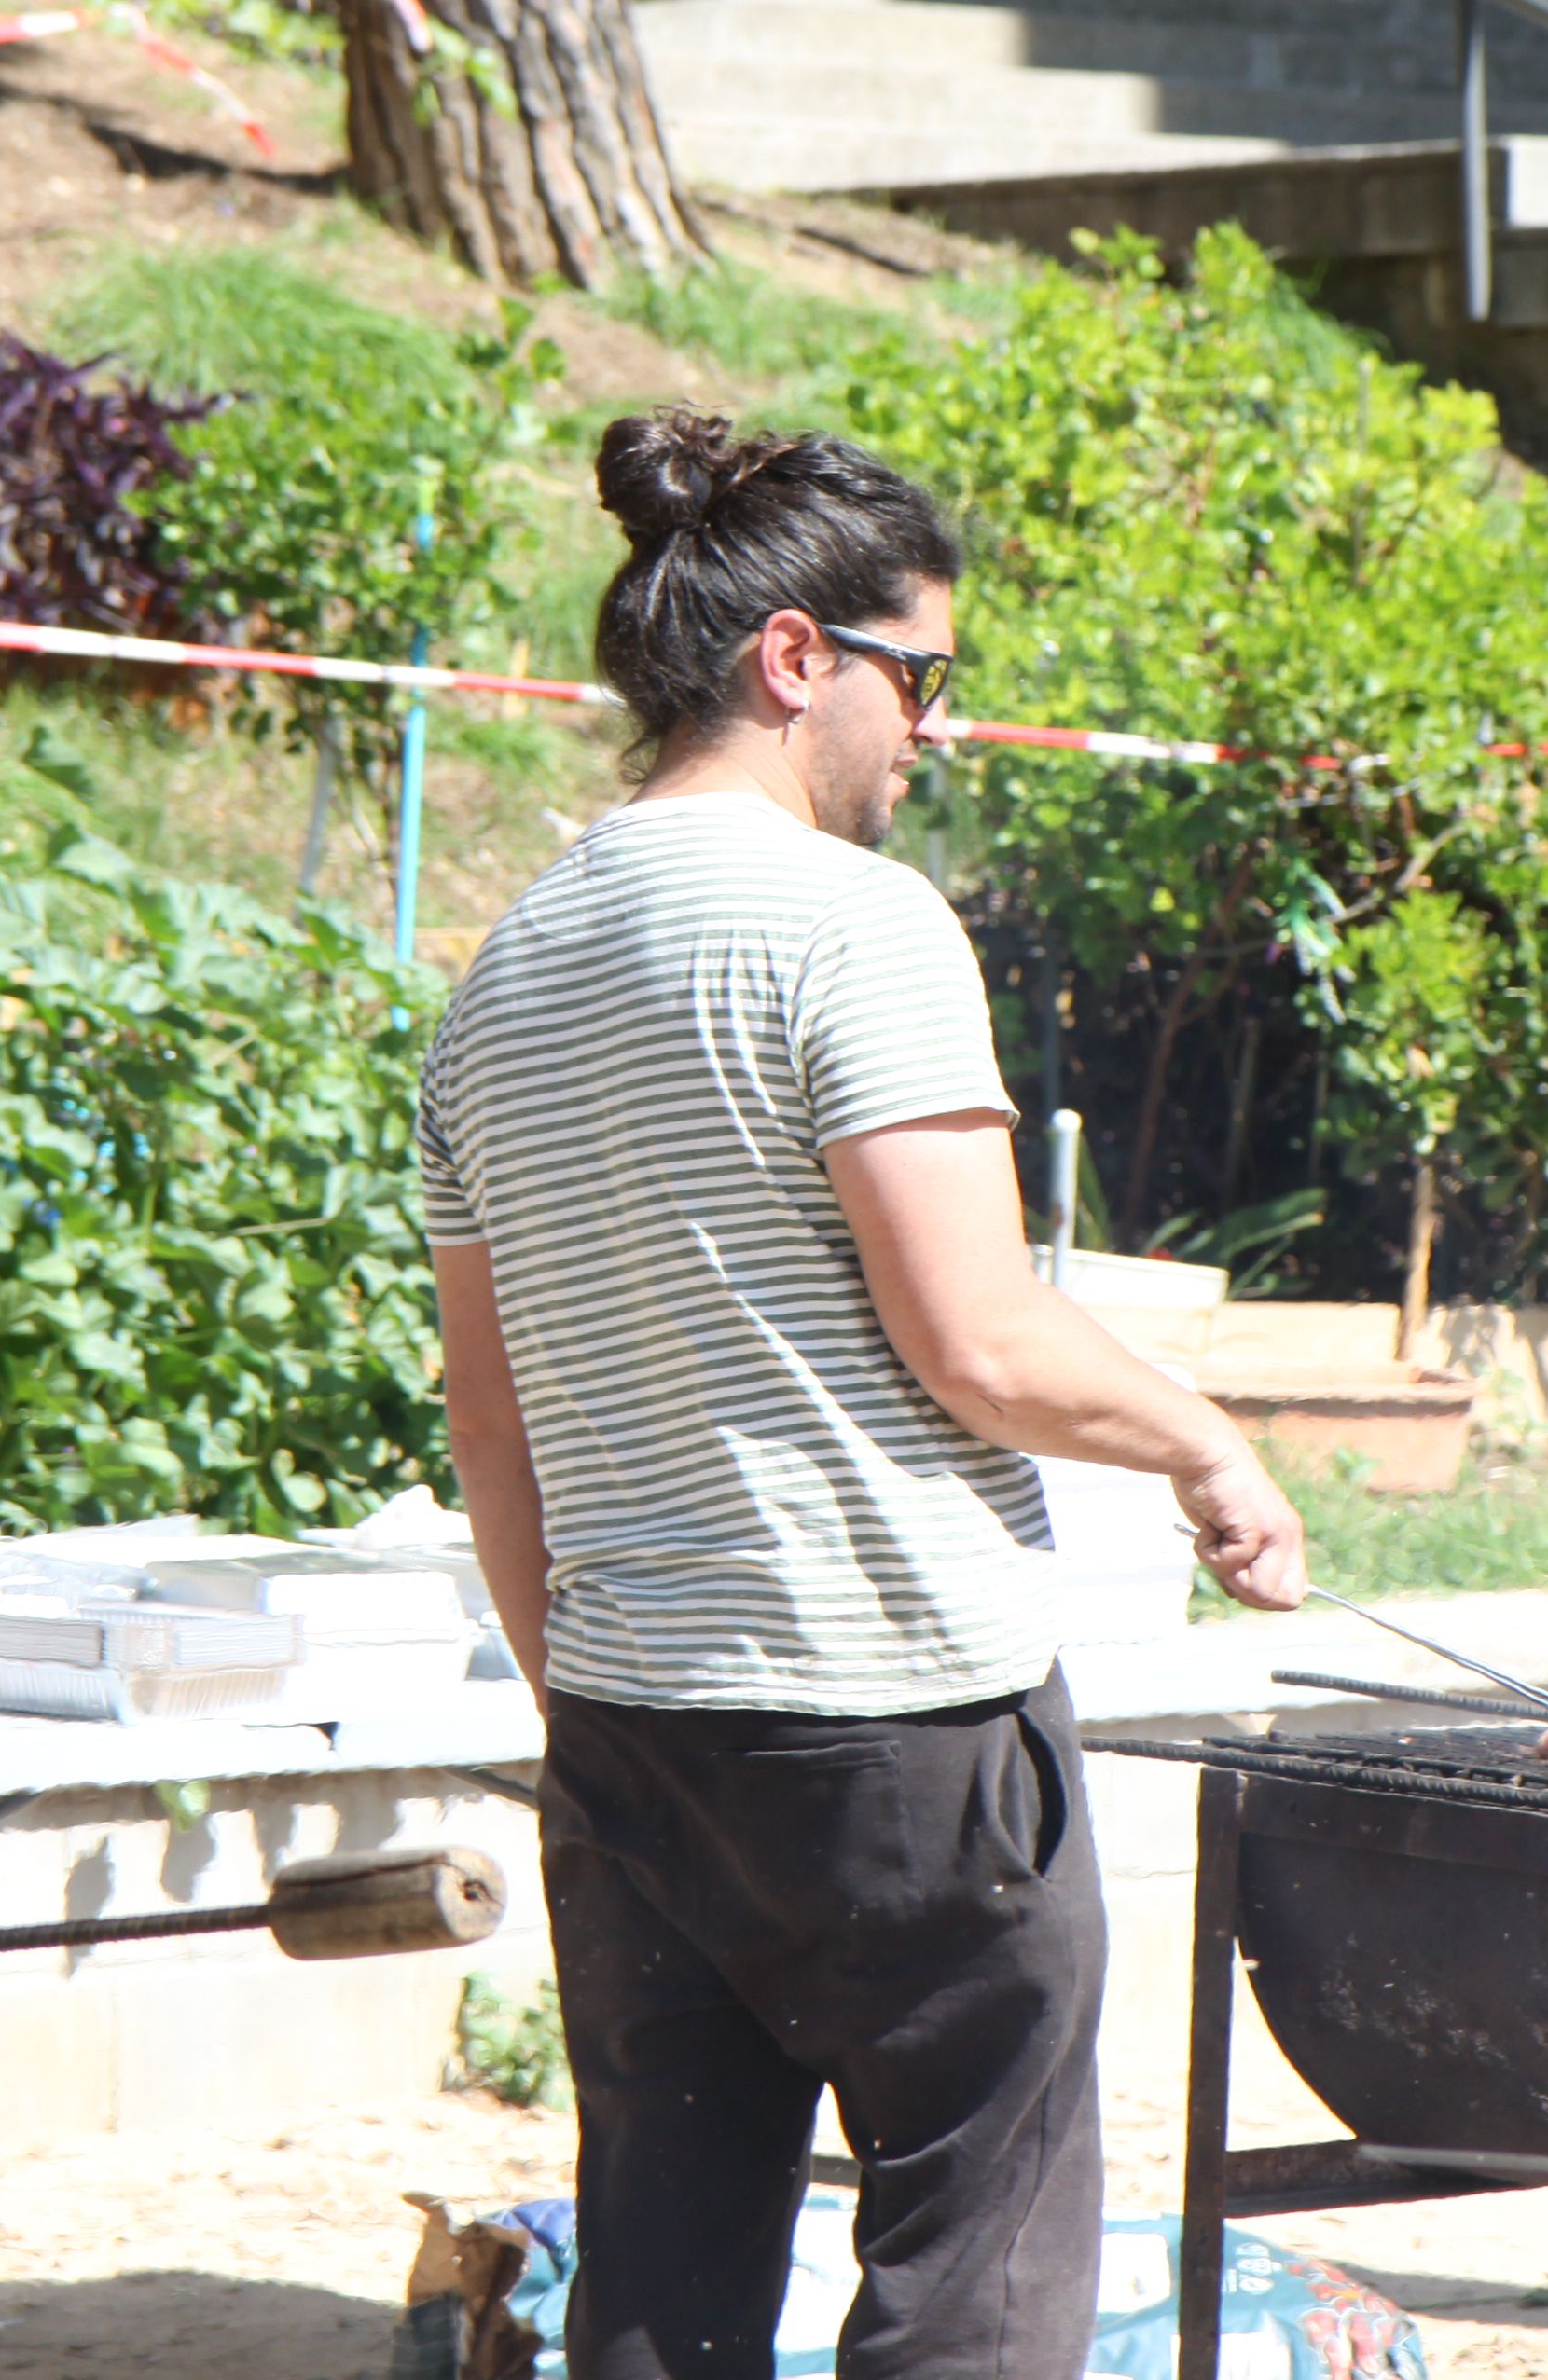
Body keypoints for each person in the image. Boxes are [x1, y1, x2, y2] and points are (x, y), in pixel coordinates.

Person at [419, 410, 1310, 2380]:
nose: (933, 731)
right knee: (969, 2280)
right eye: (924, 680)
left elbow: (494, 1428)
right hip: (899, 1733)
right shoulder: (856, 922)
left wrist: (595, 1707)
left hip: (636, 1732)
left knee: (661, 2286)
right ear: (795, 657)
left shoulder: (500, 976)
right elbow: (978, 1340)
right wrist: (1205, 1444)